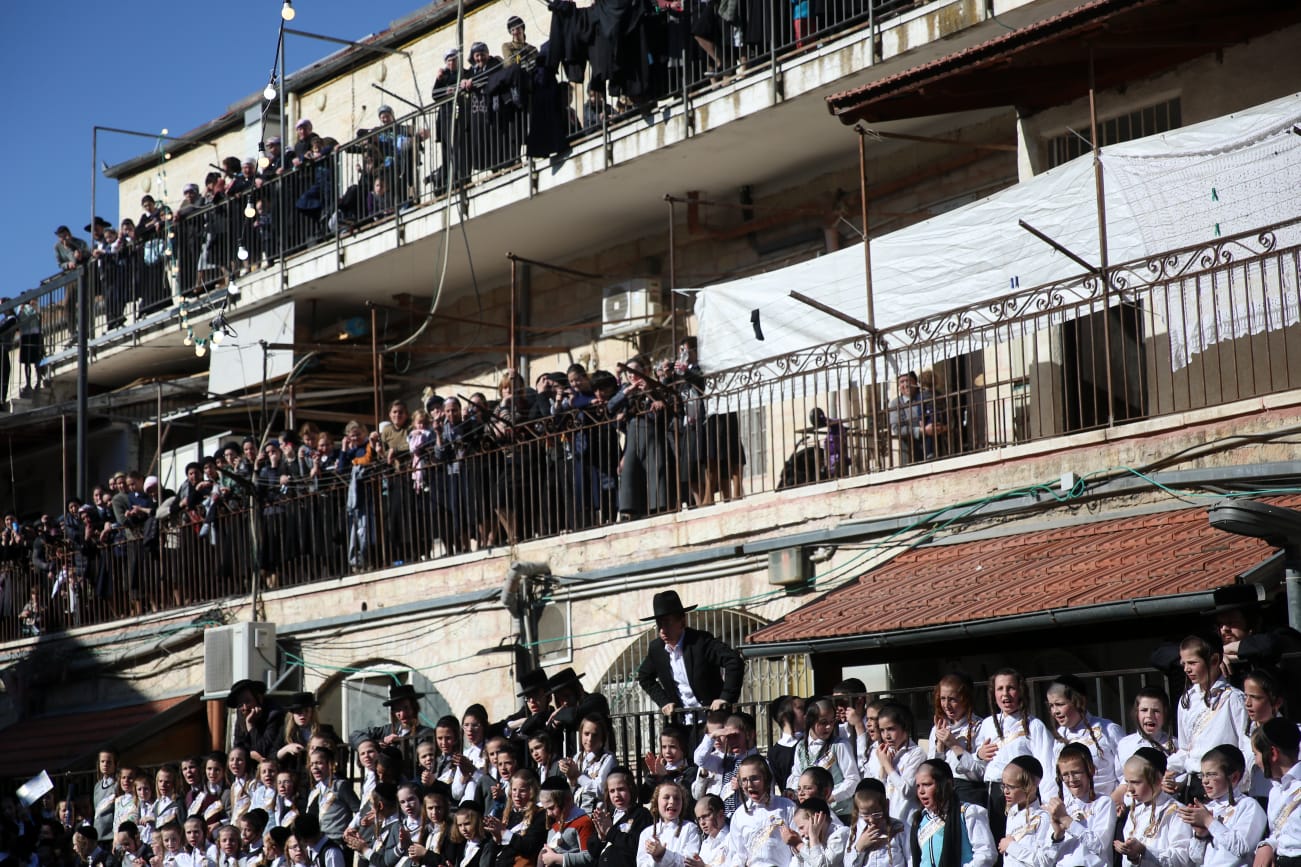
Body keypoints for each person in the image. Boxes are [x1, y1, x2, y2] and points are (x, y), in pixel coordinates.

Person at [635, 590, 745, 723]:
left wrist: (725, 697)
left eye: (667, 623)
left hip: (713, 721)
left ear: (682, 622)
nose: (662, 630)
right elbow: (644, 676)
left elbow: (733, 660)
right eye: (659, 624)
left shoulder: (700, 642)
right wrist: (664, 702)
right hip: (682, 723)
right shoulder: (657, 649)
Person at [971, 669, 1053, 841]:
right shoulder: (987, 724)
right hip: (993, 793)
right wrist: (978, 755)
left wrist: (1047, 801)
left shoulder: (1034, 725)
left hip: (1022, 795)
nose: (1005, 694)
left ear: (1021, 691)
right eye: (1000, 689)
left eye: (1011, 688)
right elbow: (976, 767)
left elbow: (1047, 765)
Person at [1168, 636, 1249, 802]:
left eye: (1192, 663)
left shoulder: (1234, 698)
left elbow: (1245, 745)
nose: (1186, 669)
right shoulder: (1187, 699)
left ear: (1214, 660)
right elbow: (1185, 749)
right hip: (1193, 786)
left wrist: (1241, 787)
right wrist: (1168, 772)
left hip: (1224, 786)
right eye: (1184, 664)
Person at [1176, 744, 1264, 867]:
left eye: (1212, 774)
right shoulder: (1208, 807)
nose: (1205, 781)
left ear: (1234, 777)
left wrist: (1208, 821)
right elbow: (1195, 858)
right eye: (1203, 775)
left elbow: (1242, 848)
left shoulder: (1248, 806)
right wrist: (1200, 835)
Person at [1044, 675, 1124, 798]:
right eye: (1051, 706)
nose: (1055, 711)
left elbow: (1127, 775)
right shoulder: (1058, 738)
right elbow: (1054, 781)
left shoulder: (1109, 730)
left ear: (1079, 701)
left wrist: (1112, 803)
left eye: (1060, 704)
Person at [909, 761, 995, 867]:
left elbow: (986, 854)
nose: (921, 791)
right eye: (918, 786)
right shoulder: (920, 820)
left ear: (947, 784)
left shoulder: (968, 813)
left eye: (927, 784)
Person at [1113, 748, 1191, 865]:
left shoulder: (1178, 813)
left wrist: (1144, 850)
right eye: (1127, 782)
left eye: (1136, 782)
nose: (1129, 789)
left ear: (1157, 780)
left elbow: (1181, 859)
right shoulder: (1135, 812)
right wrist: (1133, 856)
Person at [1044, 744, 1114, 867]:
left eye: (1076, 773)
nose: (1071, 779)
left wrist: (1066, 820)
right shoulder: (1061, 808)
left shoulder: (1104, 803)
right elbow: (1046, 861)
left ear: (1091, 770)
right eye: (1065, 775)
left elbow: (1099, 846)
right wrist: (1058, 836)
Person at [924, 675, 984, 807]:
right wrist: (940, 746)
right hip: (943, 794)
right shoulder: (937, 728)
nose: (946, 705)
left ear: (965, 699)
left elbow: (979, 773)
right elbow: (932, 771)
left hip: (969, 793)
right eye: (943, 699)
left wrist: (954, 745)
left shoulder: (980, 726)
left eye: (952, 700)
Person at [725, 756, 795, 867]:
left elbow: (797, 850)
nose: (749, 785)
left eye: (754, 778)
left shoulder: (787, 807)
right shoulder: (739, 815)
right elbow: (738, 854)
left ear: (766, 778)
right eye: (744, 780)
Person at [1250, 717, 1301, 864]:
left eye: (1256, 754)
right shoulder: (1275, 790)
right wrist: (1268, 845)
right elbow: (1279, 832)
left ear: (1273, 754)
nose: (1256, 761)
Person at [995, 757, 1058, 867]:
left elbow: (1044, 861)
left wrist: (1011, 846)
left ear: (1030, 787)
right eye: (1004, 786)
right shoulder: (1011, 813)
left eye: (1011, 787)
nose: (1005, 791)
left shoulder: (1043, 817)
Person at [589, 768, 652, 867]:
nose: (616, 795)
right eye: (612, 791)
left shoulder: (641, 814)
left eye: (621, 789)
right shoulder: (607, 816)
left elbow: (636, 845)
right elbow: (593, 851)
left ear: (631, 788)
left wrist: (610, 832)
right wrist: (600, 837)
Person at [349, 683, 434, 750]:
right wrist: (374, 746)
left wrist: (399, 743)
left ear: (414, 707)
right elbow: (355, 735)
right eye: (397, 709)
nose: (402, 714)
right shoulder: (387, 730)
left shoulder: (426, 734)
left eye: (406, 708)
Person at [634, 782, 699, 867]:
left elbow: (691, 861)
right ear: (657, 802)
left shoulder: (690, 828)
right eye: (666, 797)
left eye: (676, 798)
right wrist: (655, 858)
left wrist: (663, 854)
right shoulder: (646, 833)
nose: (672, 801)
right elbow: (641, 864)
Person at [886, 372, 944, 466]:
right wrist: (923, 431)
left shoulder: (926, 395)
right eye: (902, 382)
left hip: (936, 449)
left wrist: (940, 426)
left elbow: (943, 412)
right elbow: (897, 429)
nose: (905, 385)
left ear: (915, 382)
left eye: (908, 380)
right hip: (911, 453)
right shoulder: (896, 404)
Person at [843, 781, 905, 867]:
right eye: (865, 815)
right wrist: (859, 847)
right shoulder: (856, 830)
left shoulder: (900, 829)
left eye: (877, 814)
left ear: (886, 805)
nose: (871, 820)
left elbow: (911, 860)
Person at [788, 798, 846, 867]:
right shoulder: (808, 840)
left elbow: (822, 865)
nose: (801, 834)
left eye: (802, 827)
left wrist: (799, 844)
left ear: (817, 818)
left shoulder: (841, 834)